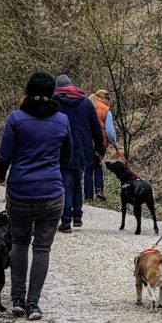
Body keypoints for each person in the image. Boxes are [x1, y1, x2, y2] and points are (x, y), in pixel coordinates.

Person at [0, 73, 73, 321]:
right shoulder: (62, 120)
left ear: (27, 93)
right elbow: (67, 157)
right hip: (51, 193)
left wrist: (0, 175)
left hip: (20, 191)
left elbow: (4, 156)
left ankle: (17, 299)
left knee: (19, 243)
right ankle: (33, 304)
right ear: (53, 94)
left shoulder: (16, 119)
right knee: (42, 247)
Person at [55, 74, 105, 232]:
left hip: (63, 149)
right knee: (78, 183)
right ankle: (77, 216)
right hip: (83, 150)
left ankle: (66, 221)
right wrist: (100, 149)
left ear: (58, 88)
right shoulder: (86, 103)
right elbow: (96, 128)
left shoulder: (55, 102)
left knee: (66, 185)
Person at [85, 89, 120, 202]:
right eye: (108, 99)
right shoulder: (105, 110)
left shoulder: (88, 105)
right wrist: (114, 142)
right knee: (98, 165)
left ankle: (88, 197)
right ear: (104, 98)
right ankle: (99, 190)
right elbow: (109, 131)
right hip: (100, 143)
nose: (108, 102)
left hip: (87, 142)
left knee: (88, 168)